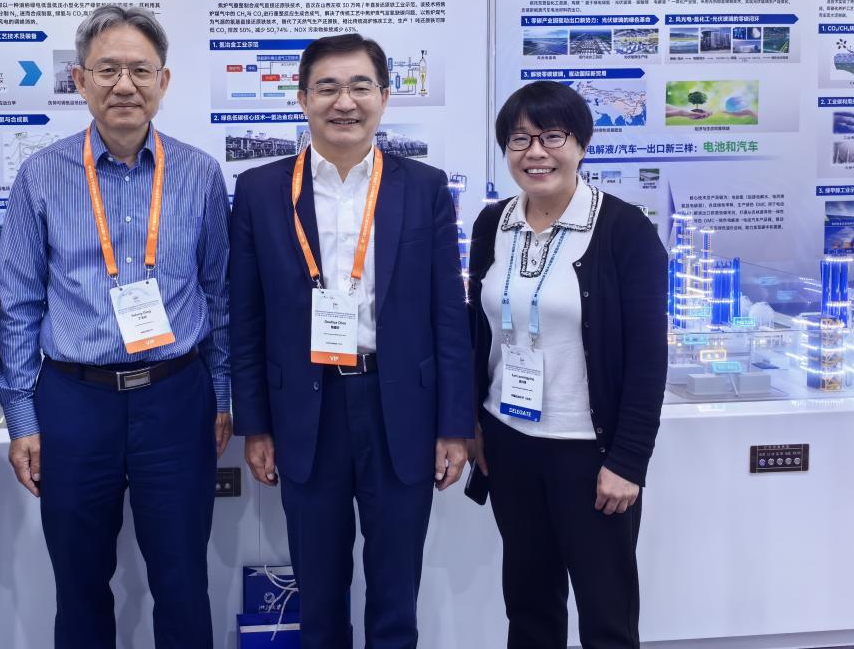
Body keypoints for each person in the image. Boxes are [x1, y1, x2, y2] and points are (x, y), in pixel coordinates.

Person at [0, 5, 232, 649]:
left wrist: (222, 394)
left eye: (140, 70)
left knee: (183, 579)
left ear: (164, 81)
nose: (124, 84)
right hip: (75, 401)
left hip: (176, 396)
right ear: (79, 80)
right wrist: (23, 418)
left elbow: (220, 295)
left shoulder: (200, 174)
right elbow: (19, 305)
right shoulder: (40, 175)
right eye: (107, 70)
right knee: (78, 582)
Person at [229, 33, 473, 649]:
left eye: (361, 86)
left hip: (400, 409)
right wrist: (256, 426)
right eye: (328, 88)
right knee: (319, 591)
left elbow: (449, 314)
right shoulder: (260, 190)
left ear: (384, 97)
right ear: (303, 98)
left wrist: (454, 426)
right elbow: (246, 317)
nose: (345, 102)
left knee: (395, 592)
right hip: (305, 411)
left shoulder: (423, 187)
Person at [466, 80, 667, 649]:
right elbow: (478, 328)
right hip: (510, 442)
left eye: (552, 136)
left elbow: (648, 357)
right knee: (529, 607)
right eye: (519, 139)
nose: (536, 152)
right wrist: (473, 421)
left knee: (606, 616)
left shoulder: (625, 230)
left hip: (590, 452)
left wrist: (628, 461)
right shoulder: (492, 224)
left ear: (580, 143)